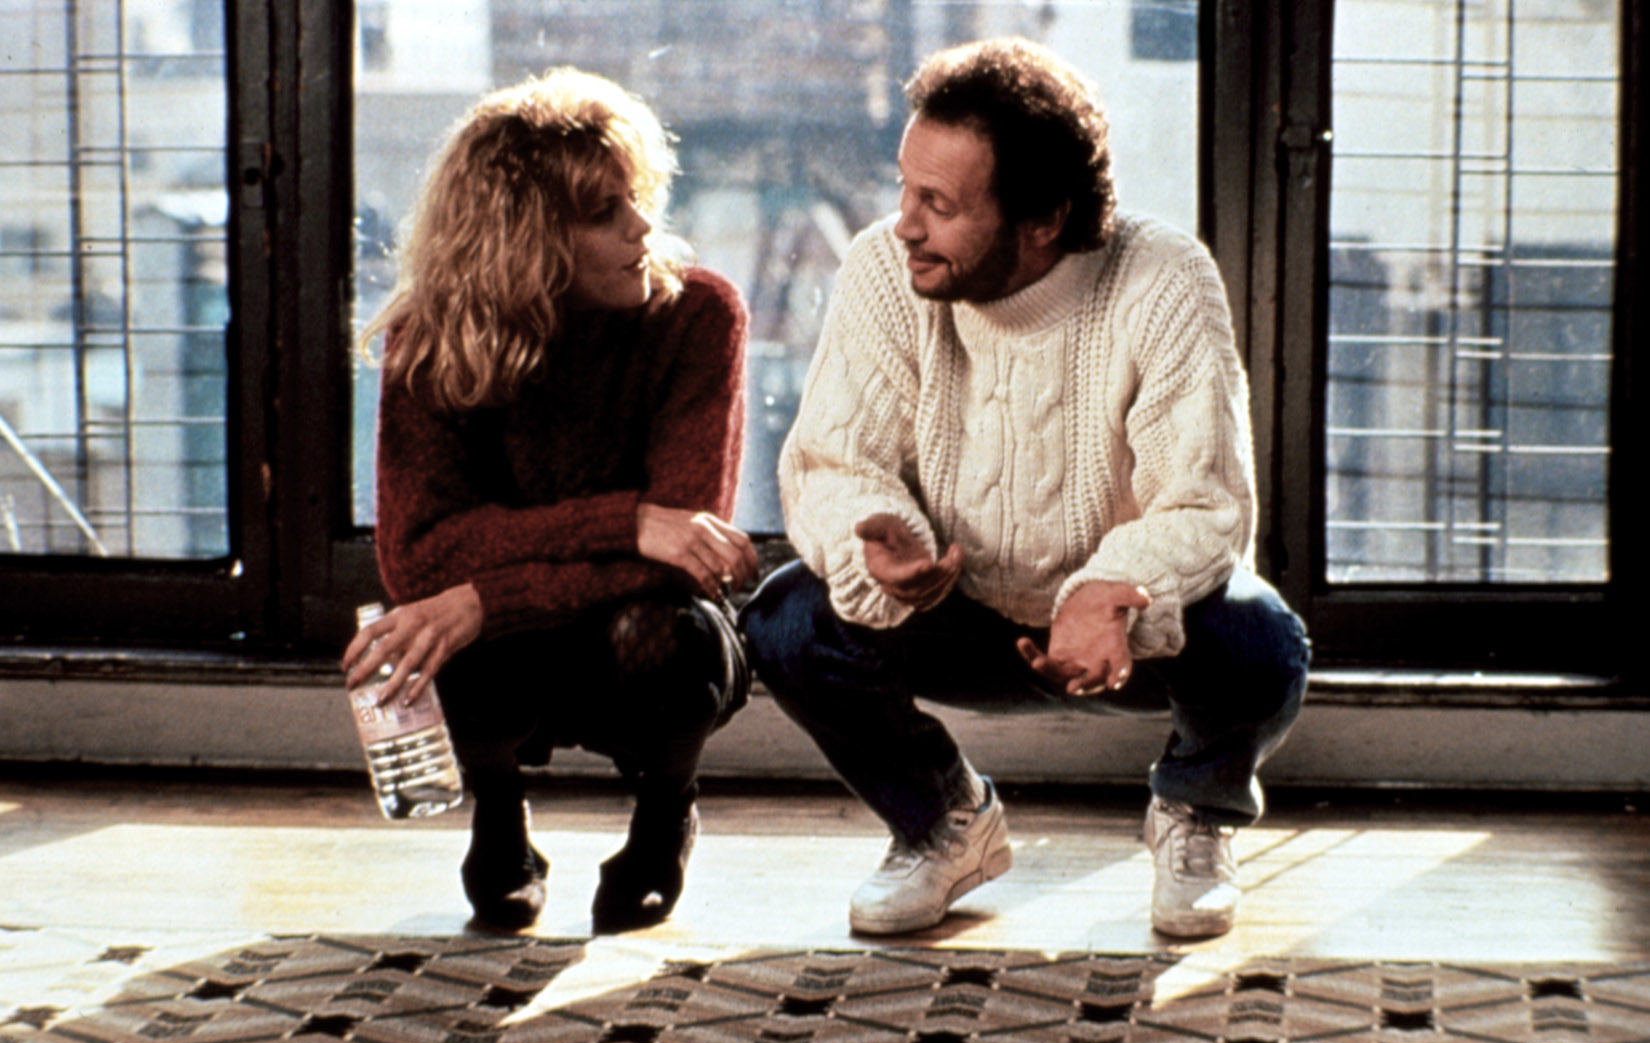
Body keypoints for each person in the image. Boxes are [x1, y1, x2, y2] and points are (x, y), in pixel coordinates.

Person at [739, 38, 1310, 939]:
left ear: (1043, 217)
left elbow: (1204, 504)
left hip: (1119, 630)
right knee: (784, 618)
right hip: (954, 612)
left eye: (939, 203)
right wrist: (876, 538)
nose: (905, 224)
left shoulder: (1162, 279)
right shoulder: (886, 272)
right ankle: (943, 823)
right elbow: (828, 463)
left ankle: (1197, 812)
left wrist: (1107, 588)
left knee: (1263, 642)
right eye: (904, 188)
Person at [342, 67, 757, 934]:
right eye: (604, 211)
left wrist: (486, 592)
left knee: (678, 642)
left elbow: (684, 556)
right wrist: (627, 522)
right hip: (511, 645)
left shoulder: (699, 315)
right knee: (429, 635)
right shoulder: (432, 338)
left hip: (633, 627)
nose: (643, 226)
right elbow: (420, 557)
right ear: (524, 239)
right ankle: (501, 816)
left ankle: (665, 811)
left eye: (636, 197)